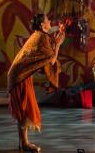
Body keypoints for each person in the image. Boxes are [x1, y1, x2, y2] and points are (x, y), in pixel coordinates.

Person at [8, 14, 65, 152]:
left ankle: (24, 143)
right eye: (47, 20)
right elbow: (51, 60)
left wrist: (59, 29)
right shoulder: (41, 37)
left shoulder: (39, 34)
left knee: (26, 108)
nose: (50, 21)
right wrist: (57, 45)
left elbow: (50, 34)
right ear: (42, 25)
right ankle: (25, 144)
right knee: (25, 109)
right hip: (19, 77)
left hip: (20, 75)